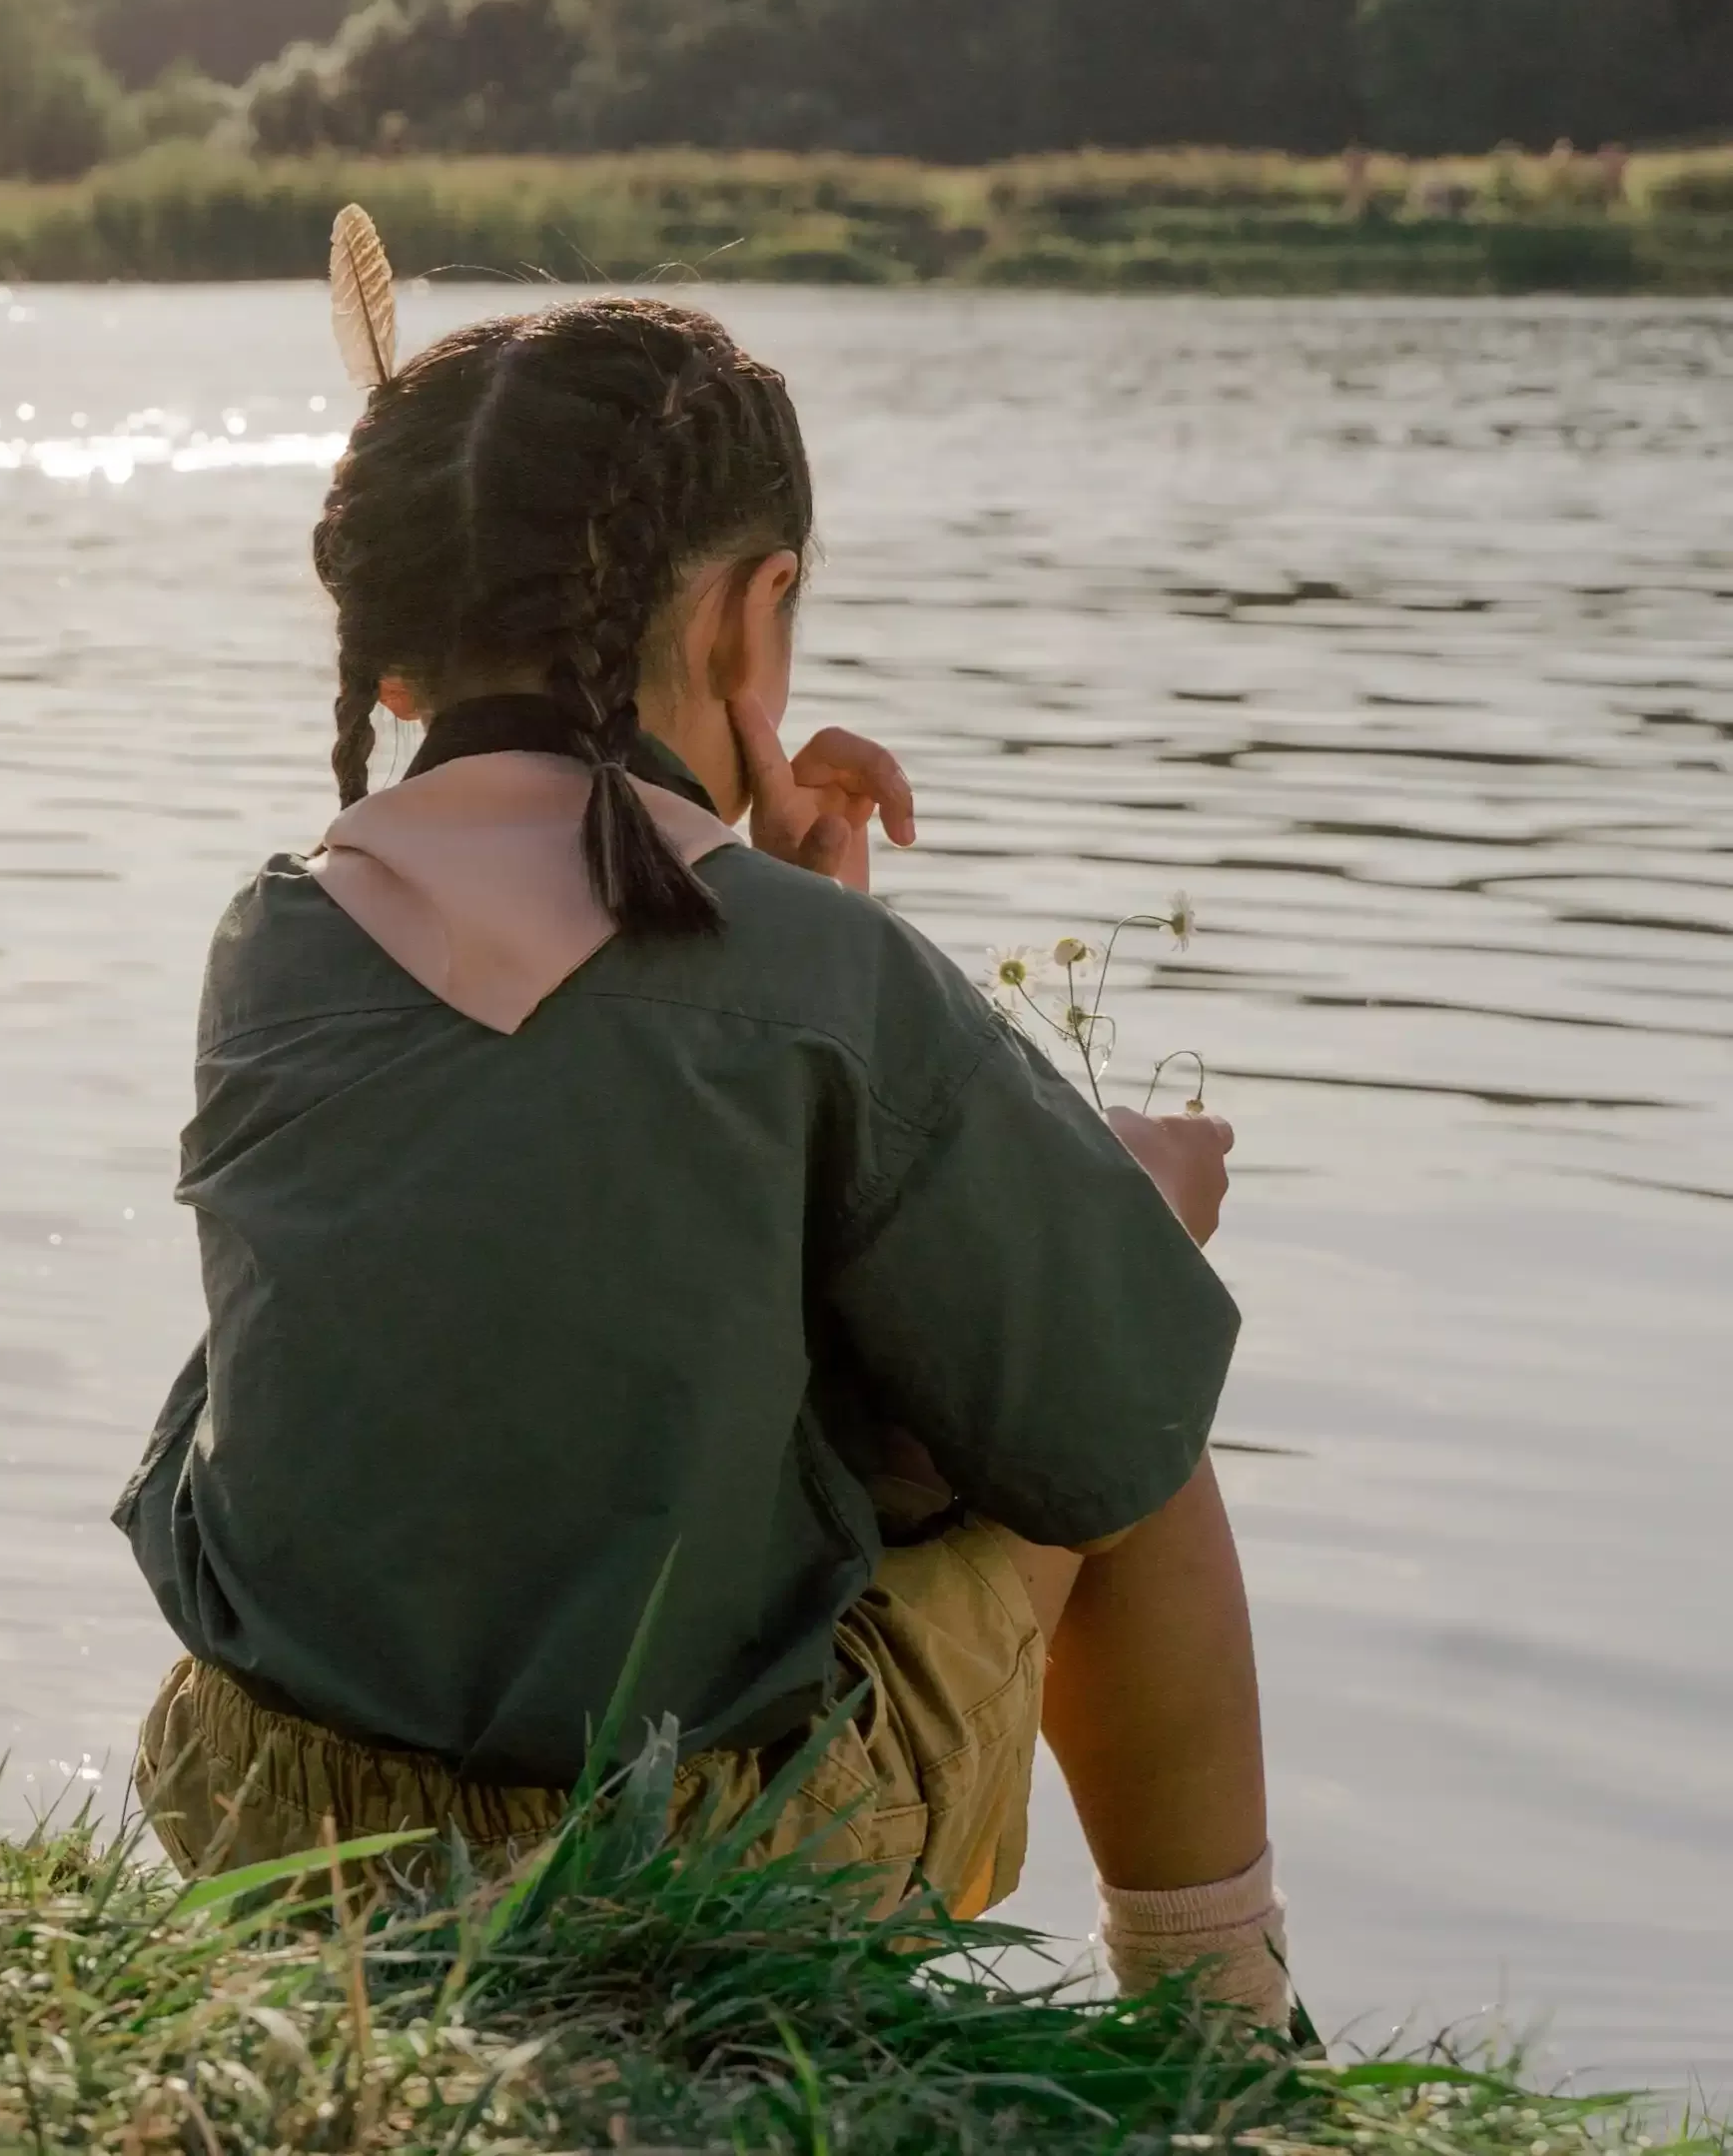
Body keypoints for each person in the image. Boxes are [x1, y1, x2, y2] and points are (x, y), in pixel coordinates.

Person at [114, 294, 1293, 2022]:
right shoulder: (812, 976)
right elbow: (1090, 1416)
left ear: (389, 660)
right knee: (1143, 1402)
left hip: (273, 1813)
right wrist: (1145, 1204)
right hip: (682, 1858)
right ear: (760, 610)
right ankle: (1225, 2026)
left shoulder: (276, 938)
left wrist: (803, 921)